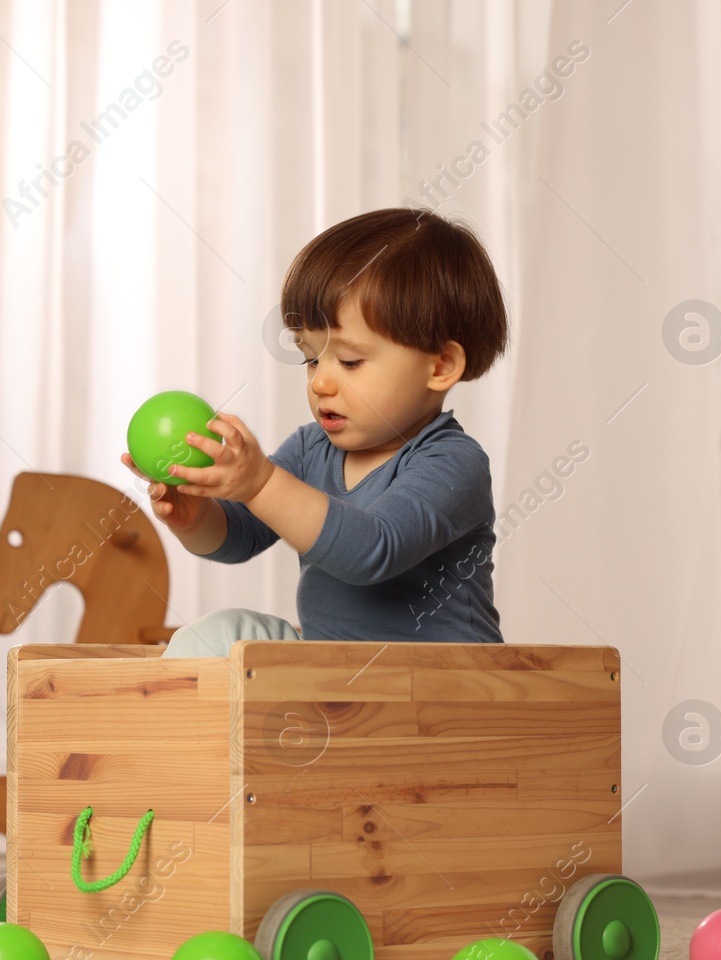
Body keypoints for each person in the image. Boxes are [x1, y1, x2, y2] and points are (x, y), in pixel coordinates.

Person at [121, 208, 507, 657]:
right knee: (215, 635)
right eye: (311, 358)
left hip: (441, 687)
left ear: (439, 366)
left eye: (348, 361)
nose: (320, 382)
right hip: (333, 669)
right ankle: (175, 727)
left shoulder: (453, 463)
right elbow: (240, 536)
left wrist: (261, 482)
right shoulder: (311, 449)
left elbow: (372, 551)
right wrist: (199, 518)